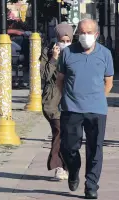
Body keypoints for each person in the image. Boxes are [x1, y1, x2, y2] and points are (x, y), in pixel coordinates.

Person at [56, 19, 114, 199]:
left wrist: (96, 98)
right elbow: (59, 80)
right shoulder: (67, 53)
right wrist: (69, 97)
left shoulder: (105, 54)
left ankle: (91, 185)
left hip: (96, 109)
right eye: (81, 32)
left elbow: (109, 82)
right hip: (71, 108)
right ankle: (73, 171)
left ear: (96, 34)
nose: (85, 36)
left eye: (89, 32)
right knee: (68, 148)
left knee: (95, 149)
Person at [40, 23, 73, 180]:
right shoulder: (48, 53)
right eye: (62, 39)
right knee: (59, 131)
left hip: (72, 100)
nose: (65, 43)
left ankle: (67, 166)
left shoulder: (76, 53)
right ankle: (59, 166)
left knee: (70, 135)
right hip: (53, 100)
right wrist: (54, 58)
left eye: (68, 40)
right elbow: (44, 75)